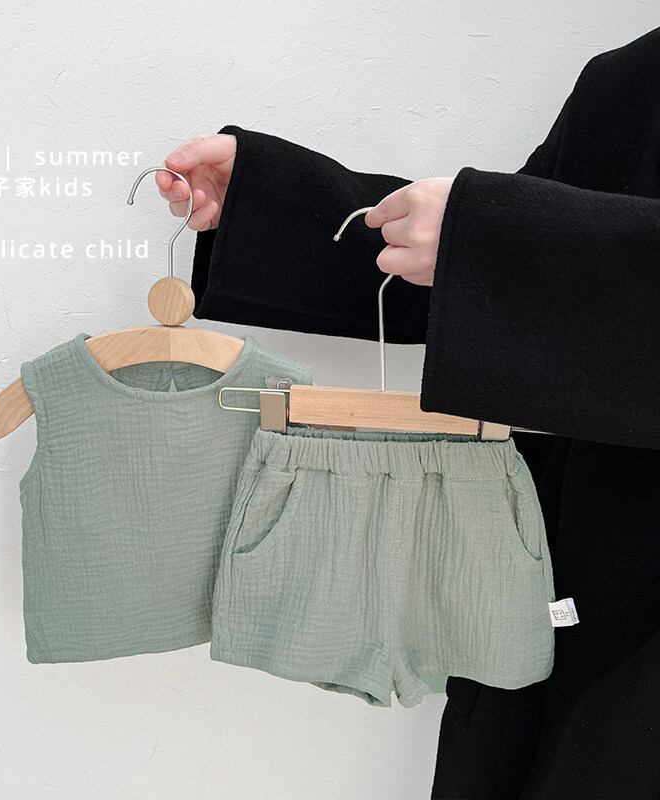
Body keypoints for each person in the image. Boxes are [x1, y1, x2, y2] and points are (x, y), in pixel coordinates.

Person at [155, 27, 660, 800]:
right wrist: (271, 205)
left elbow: (521, 255)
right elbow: (512, 293)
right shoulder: (636, 76)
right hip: (573, 592)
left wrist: (492, 238)